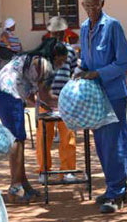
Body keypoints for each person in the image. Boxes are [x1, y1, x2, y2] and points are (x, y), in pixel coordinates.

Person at [0, 38, 68, 204]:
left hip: (0, 93)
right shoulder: (44, 65)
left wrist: (46, 104)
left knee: (20, 140)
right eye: (61, 60)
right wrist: (67, 101)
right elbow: (45, 96)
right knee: (16, 141)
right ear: (54, 56)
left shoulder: (32, 59)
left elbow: (34, 97)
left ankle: (23, 184)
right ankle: (15, 189)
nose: (61, 64)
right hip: (8, 95)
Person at [75, 0, 127, 213]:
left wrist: (98, 73)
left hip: (114, 95)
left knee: (114, 143)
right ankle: (113, 186)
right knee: (101, 145)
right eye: (87, 6)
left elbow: (124, 62)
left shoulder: (113, 26)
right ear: (82, 6)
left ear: (102, 4)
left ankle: (116, 193)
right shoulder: (82, 28)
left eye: (95, 5)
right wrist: (80, 71)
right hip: (95, 97)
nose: (91, 10)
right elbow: (86, 61)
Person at [34, 17, 78, 183]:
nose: (58, 35)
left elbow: (74, 74)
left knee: (68, 136)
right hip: (46, 100)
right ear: (50, 33)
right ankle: (43, 170)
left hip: (65, 100)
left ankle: (67, 170)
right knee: (44, 137)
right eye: (55, 33)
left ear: (64, 33)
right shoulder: (42, 51)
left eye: (60, 33)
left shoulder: (71, 51)